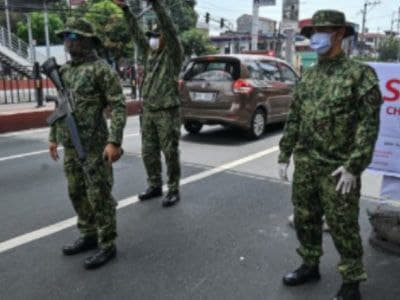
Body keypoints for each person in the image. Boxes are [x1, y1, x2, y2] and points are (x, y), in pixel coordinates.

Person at [278, 10, 382, 300]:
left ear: (338, 34)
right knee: (305, 219)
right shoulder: (309, 77)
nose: (316, 37)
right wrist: (284, 154)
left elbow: (368, 125)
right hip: (307, 163)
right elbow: (295, 117)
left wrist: (354, 166)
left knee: (342, 226)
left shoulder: (359, 75)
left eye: (322, 31)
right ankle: (309, 264)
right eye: (313, 32)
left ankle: (351, 282)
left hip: (338, 169)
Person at [48, 18, 127, 269]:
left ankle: (107, 244)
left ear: (86, 40)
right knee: (76, 192)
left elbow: (118, 105)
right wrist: (53, 136)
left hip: (94, 146)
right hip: (71, 144)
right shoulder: (64, 71)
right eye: (66, 37)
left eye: (73, 37)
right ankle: (89, 234)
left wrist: (114, 141)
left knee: (99, 196)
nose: (68, 42)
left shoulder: (101, 69)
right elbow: (60, 106)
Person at [114, 0, 183, 207]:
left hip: (167, 112)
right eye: (151, 36)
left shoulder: (172, 55)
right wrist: (126, 10)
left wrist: (156, 4)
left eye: (156, 36)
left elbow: (169, 28)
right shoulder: (148, 55)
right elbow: (136, 33)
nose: (153, 40)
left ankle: (173, 189)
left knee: (170, 152)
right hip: (149, 112)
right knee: (148, 152)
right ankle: (154, 185)